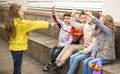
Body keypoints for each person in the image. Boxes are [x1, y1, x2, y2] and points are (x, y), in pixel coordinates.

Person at [5, 3, 54, 74]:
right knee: (17, 69)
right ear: (16, 12)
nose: (23, 13)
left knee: (17, 67)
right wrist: (48, 24)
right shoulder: (21, 23)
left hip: (13, 47)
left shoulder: (10, 21)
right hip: (18, 48)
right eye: (21, 11)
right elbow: (34, 23)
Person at [43, 5, 73, 72]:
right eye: (64, 18)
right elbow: (56, 19)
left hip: (65, 46)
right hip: (59, 43)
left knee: (56, 52)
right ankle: (53, 65)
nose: (66, 20)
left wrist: (62, 45)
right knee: (52, 51)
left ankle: (50, 64)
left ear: (71, 19)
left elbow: (70, 40)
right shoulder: (62, 24)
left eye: (68, 18)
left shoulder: (72, 28)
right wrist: (53, 11)